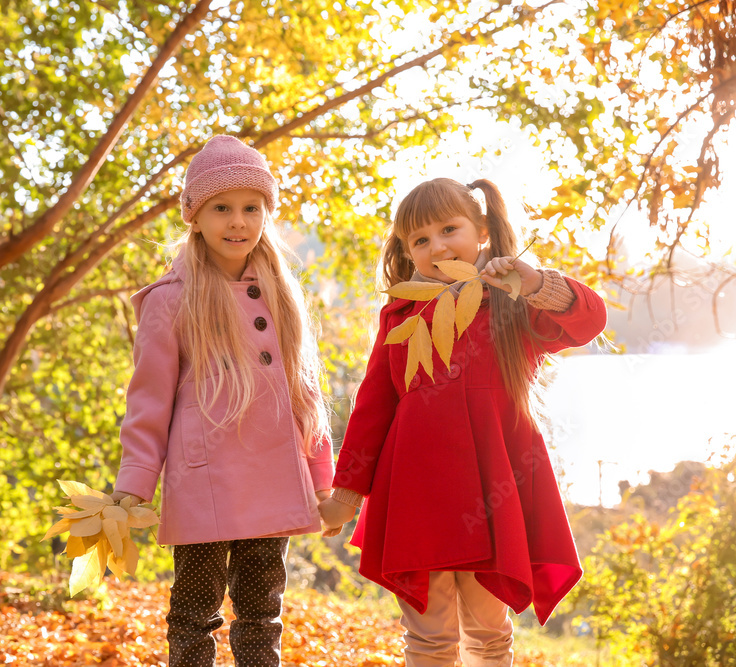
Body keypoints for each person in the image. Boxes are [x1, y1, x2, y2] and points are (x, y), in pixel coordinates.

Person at [319, 177, 607, 667]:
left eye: (449, 229)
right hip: (416, 496)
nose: (437, 246)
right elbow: (373, 405)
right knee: (428, 637)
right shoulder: (401, 315)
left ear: (483, 232)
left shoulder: (513, 302)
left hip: (492, 493)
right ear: (407, 254)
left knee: (490, 634)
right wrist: (346, 493)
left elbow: (589, 321)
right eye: (420, 240)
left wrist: (534, 281)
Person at [111, 135, 334, 666]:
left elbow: (306, 393)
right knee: (193, 617)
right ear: (194, 215)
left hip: (274, 481)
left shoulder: (280, 291)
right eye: (222, 208)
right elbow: (148, 403)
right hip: (204, 483)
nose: (238, 222)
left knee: (262, 616)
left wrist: (323, 479)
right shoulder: (171, 299)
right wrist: (134, 485)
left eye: (251, 208)